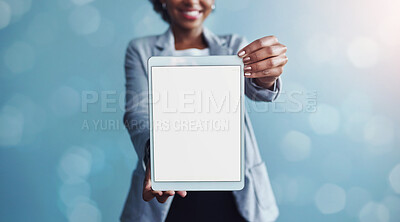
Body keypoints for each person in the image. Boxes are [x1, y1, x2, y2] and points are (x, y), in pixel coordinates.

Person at [120, 0, 288, 221]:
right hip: (170, 190)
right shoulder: (141, 49)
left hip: (234, 193)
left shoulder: (234, 45)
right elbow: (137, 112)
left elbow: (259, 92)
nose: (191, 0)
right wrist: (156, 153)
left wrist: (267, 77)